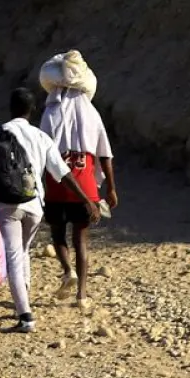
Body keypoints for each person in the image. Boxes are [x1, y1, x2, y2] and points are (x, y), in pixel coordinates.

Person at [0, 88, 98, 333]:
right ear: (32, 111)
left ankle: (25, 316)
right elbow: (62, 173)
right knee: (22, 252)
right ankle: (22, 301)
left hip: (6, 205)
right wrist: (86, 199)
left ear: (11, 107)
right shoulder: (41, 137)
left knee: (13, 256)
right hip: (34, 205)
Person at [38, 50, 118, 307]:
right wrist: (112, 190)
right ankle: (82, 295)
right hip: (85, 184)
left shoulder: (51, 113)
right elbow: (105, 155)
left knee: (59, 235)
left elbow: (41, 151)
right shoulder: (92, 114)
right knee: (81, 240)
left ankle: (67, 270)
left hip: (57, 183)